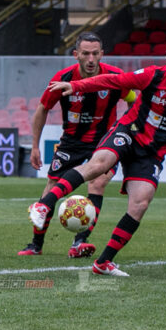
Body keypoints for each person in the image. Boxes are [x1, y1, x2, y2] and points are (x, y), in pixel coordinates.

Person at [31, 41, 166, 277]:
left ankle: (103, 263)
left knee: (140, 203)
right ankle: (44, 205)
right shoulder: (153, 75)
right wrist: (76, 86)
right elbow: (112, 81)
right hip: (129, 132)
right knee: (99, 165)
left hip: (152, 153)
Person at [19, 32, 136, 258]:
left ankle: (79, 243)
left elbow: (133, 100)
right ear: (76, 55)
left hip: (105, 142)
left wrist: (126, 128)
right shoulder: (62, 78)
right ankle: (35, 244)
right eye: (85, 54)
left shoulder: (115, 76)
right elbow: (42, 109)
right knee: (52, 185)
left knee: (98, 181)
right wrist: (35, 146)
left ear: (102, 54)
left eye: (95, 53)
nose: (91, 59)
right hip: (71, 141)